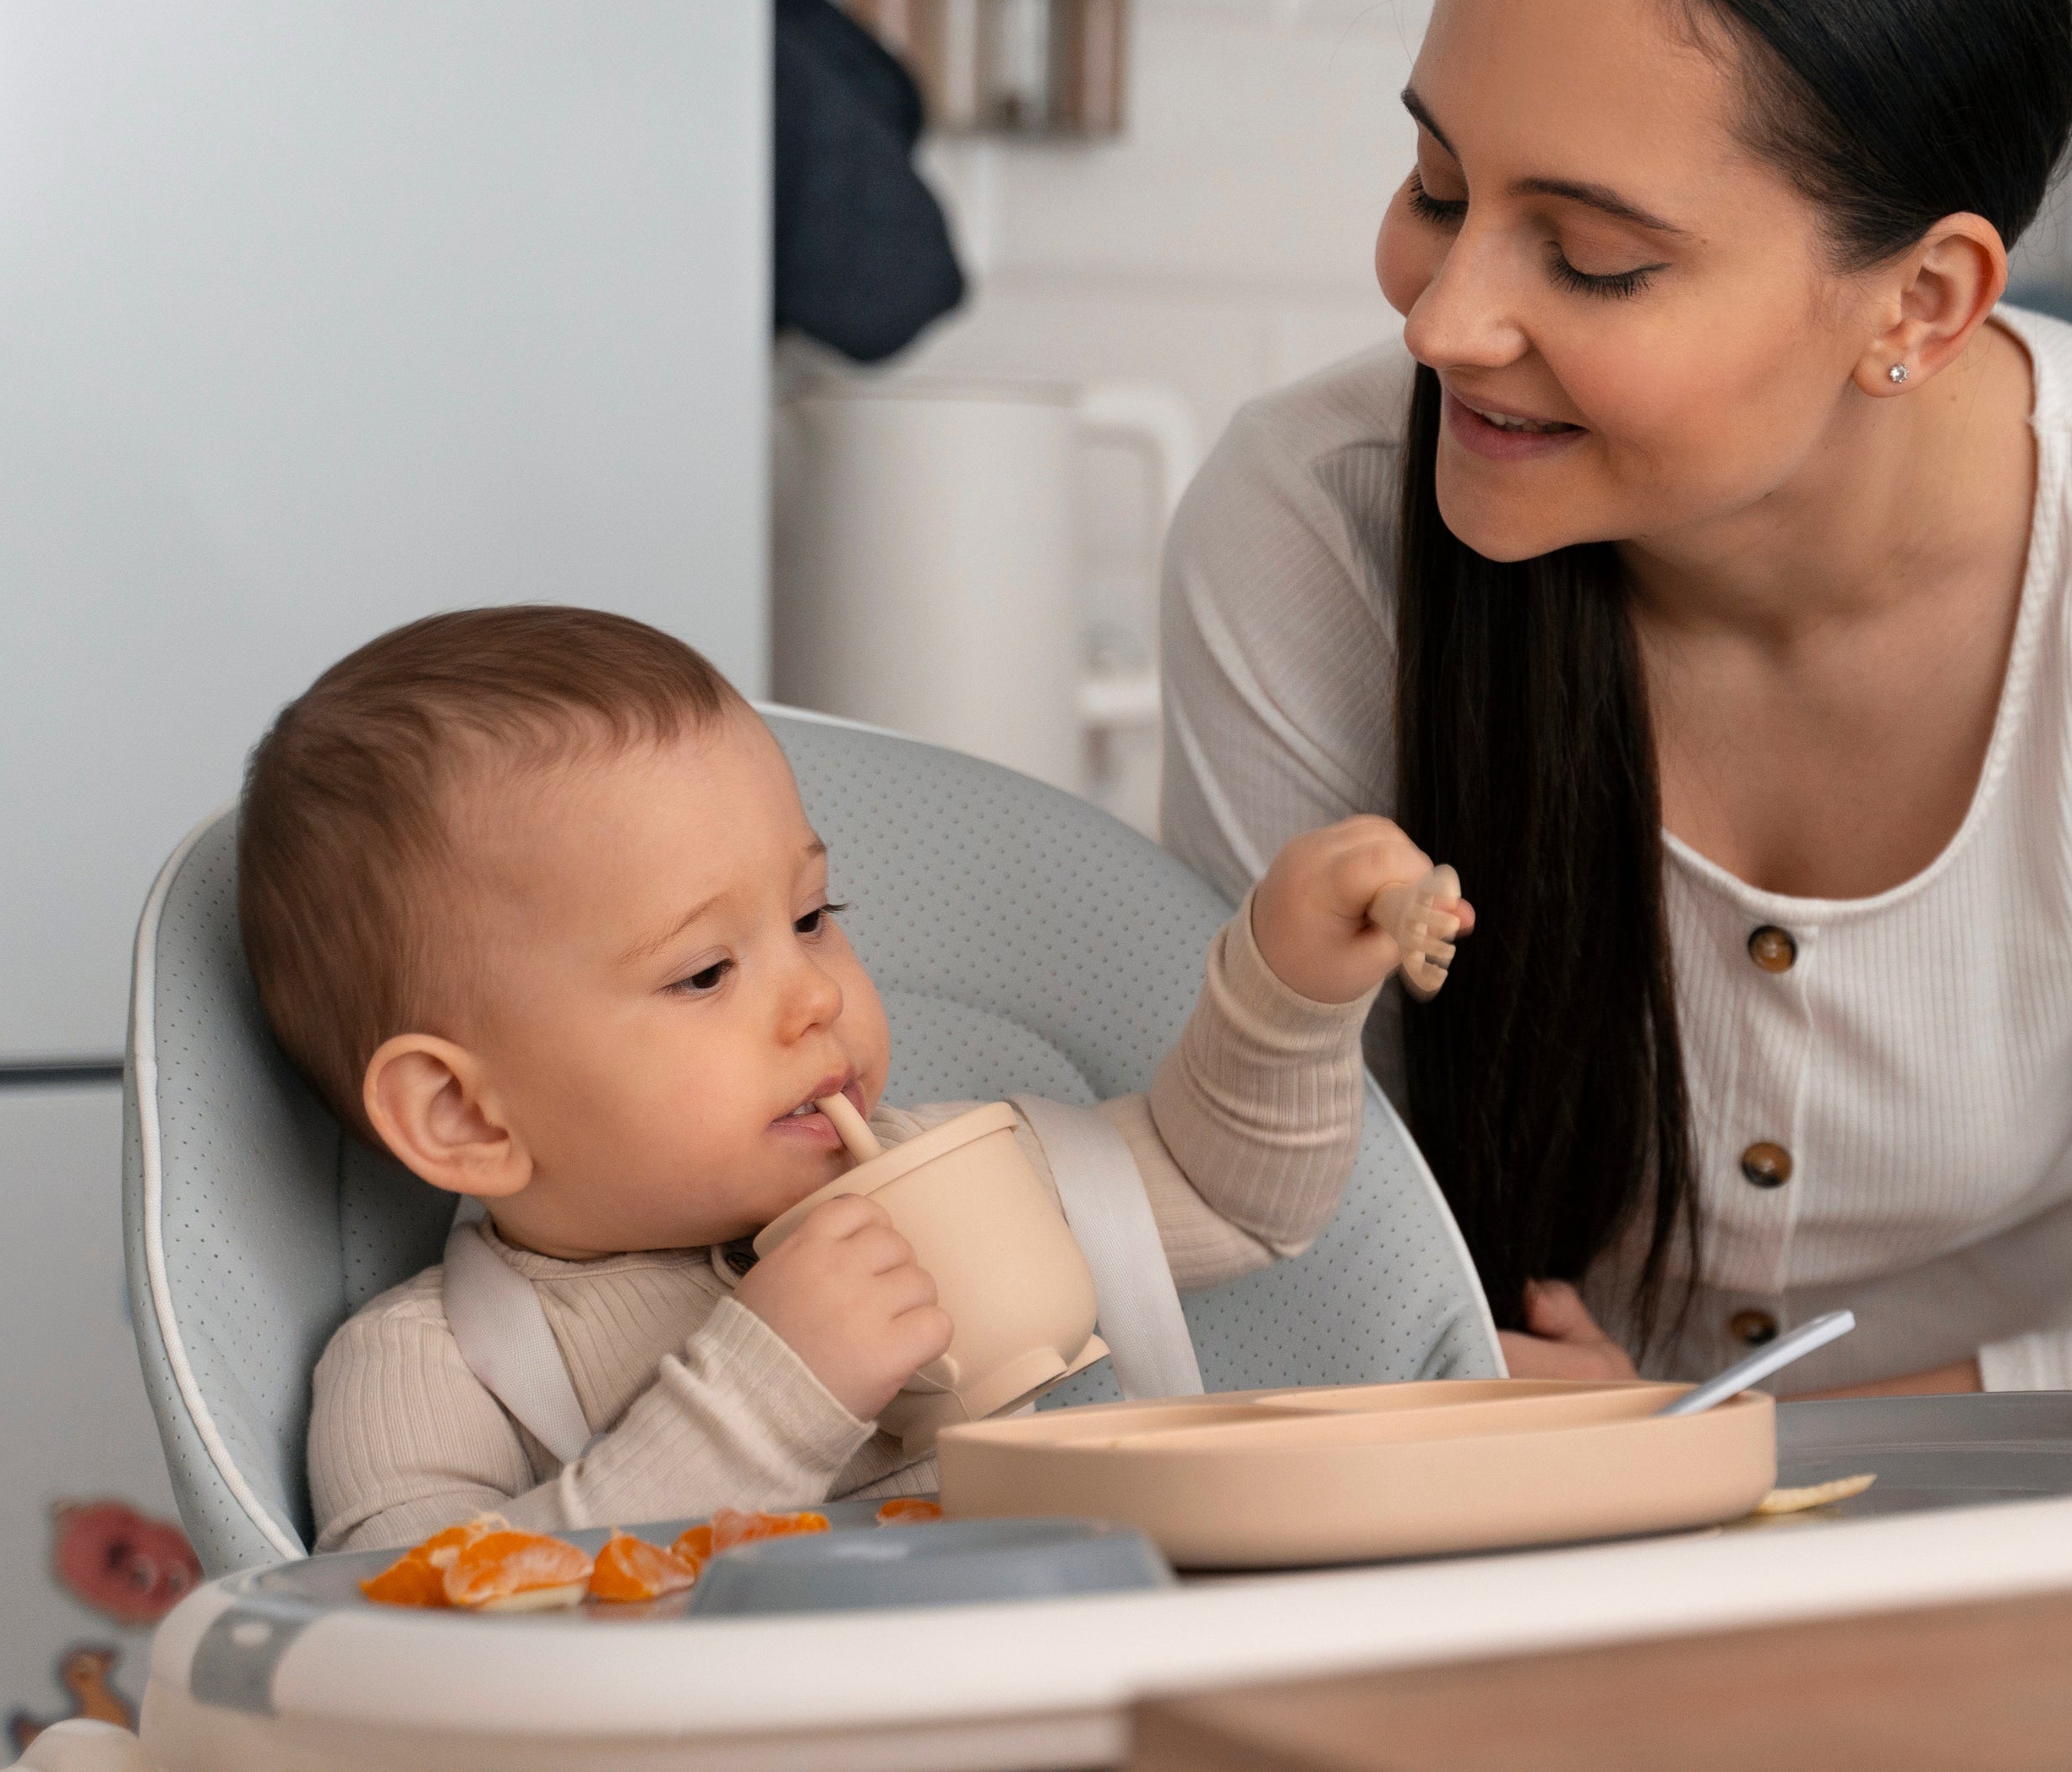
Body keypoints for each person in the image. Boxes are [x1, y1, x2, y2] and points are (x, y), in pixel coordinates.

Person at [1159, 0, 2072, 1404]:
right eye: (1439, 187)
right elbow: (1255, 1223)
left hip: (2068, 1537)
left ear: (1920, 302)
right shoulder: (1315, 517)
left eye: (1588, 260)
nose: (1443, 323)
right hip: (1505, 1536)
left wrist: (1704, 1451)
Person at [246, 606, 1454, 1551]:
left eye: (815, 915)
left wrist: (1287, 988)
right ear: (464, 1115)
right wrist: (764, 1396)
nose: (816, 993)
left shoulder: (948, 1177)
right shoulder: (437, 1364)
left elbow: (1230, 1195)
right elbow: (414, 1659)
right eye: (708, 972)